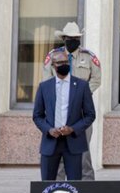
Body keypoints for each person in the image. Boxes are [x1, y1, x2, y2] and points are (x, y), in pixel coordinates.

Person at [42, 21, 102, 181]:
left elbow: (96, 79)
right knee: (58, 152)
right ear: (64, 39)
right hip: (59, 111)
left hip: (81, 112)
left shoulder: (89, 57)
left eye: (76, 37)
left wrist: (80, 96)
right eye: (70, 38)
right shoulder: (53, 56)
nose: (73, 40)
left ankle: (86, 188)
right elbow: (46, 81)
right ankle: (59, 187)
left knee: (83, 152)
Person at [32, 51, 96, 181]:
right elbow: (37, 115)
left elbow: (90, 115)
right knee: (47, 185)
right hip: (50, 142)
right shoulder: (44, 87)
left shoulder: (82, 86)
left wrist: (72, 129)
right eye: (60, 62)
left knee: (74, 186)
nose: (64, 64)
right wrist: (49, 130)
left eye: (66, 62)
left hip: (73, 142)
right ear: (53, 66)